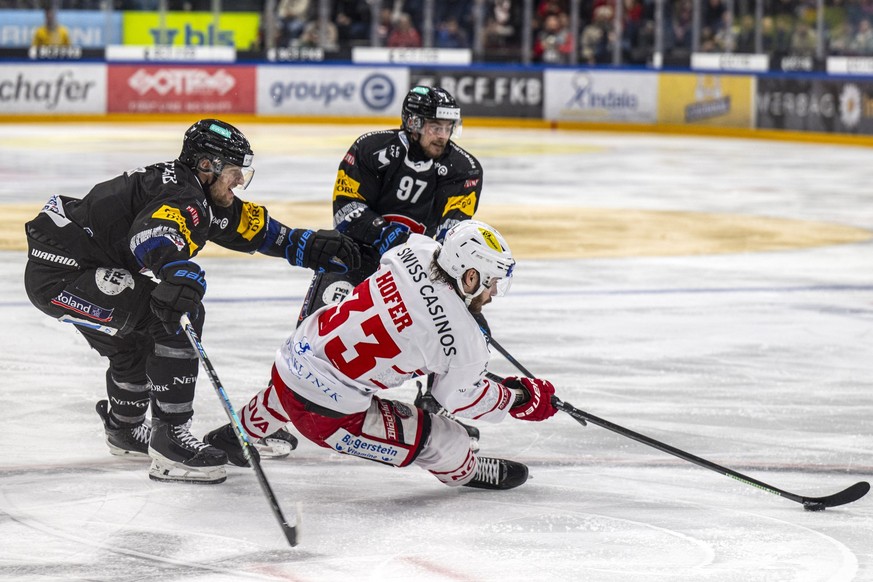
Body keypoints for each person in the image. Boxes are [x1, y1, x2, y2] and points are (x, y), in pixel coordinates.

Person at [23, 119, 360, 485]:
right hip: (64, 274)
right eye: (234, 172)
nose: (240, 181)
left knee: (133, 345)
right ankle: (170, 441)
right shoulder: (183, 194)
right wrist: (174, 268)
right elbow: (153, 231)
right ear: (206, 165)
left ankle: (124, 430)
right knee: (174, 315)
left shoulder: (200, 195)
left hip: (75, 269)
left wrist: (308, 245)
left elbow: (254, 229)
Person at [204, 220, 559, 490]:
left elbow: (421, 306)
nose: (494, 292)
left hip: (291, 360)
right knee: (450, 439)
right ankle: (463, 468)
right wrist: (518, 398)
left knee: (302, 379)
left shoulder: (412, 251)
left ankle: (241, 430)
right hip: (329, 418)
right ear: (469, 277)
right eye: (492, 281)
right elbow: (460, 399)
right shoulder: (464, 342)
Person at [295, 85, 485, 438]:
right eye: (435, 127)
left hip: (418, 269)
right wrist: (384, 233)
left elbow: (453, 230)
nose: (443, 135)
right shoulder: (371, 148)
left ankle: (437, 404)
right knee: (313, 332)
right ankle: (287, 402)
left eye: (448, 128)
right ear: (412, 122)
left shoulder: (464, 168)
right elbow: (346, 209)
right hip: (357, 255)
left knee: (460, 329)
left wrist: (422, 253)